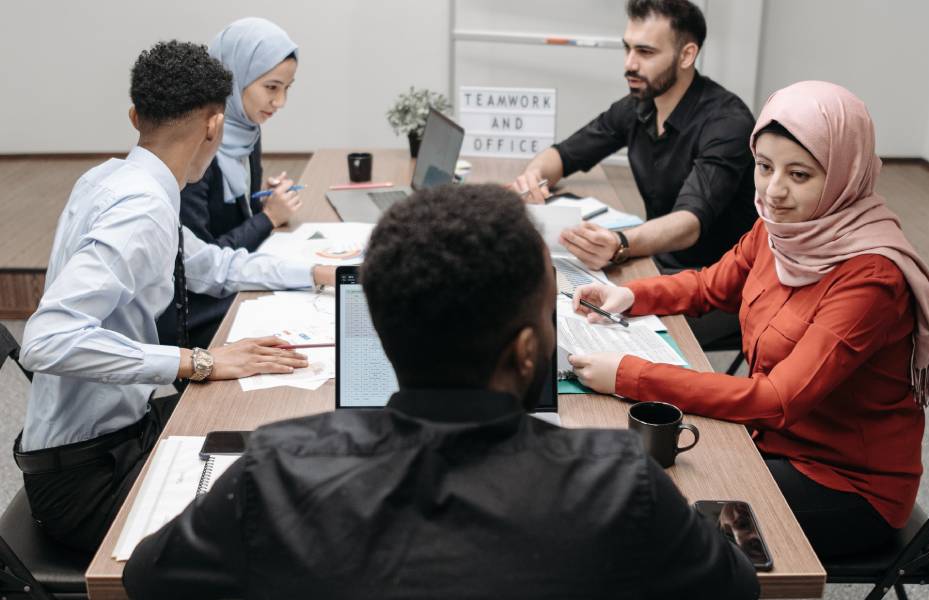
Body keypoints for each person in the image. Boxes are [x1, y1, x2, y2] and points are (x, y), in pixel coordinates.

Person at [122, 184, 760, 600]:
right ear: (528, 352)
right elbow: (739, 589)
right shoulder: (621, 483)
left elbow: (146, 579)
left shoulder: (275, 471)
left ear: (379, 335)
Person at [567, 81, 929, 559]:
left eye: (800, 175)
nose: (774, 191)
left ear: (846, 173)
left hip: (844, 484)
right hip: (771, 438)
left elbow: (776, 398)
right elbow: (709, 286)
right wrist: (628, 295)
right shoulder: (781, 228)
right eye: (763, 167)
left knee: (655, 518)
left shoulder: (871, 279)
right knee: (631, 473)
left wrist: (631, 375)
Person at [15, 40, 333, 554]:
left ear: (135, 115)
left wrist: (315, 270)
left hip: (113, 437)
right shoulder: (140, 208)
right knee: (285, 522)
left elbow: (210, 264)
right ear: (214, 125)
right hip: (89, 476)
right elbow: (46, 341)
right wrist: (196, 361)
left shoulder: (119, 179)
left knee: (268, 434)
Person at [512, 0, 756, 350]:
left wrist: (620, 244)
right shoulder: (639, 106)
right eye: (627, 48)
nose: (629, 64)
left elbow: (689, 223)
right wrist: (533, 176)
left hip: (718, 288)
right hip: (657, 264)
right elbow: (565, 154)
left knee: (591, 334)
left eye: (645, 51)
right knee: (561, 303)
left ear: (687, 55)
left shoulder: (727, 123)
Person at [158, 18, 303, 350]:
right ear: (235, 78)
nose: (279, 102)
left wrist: (263, 202)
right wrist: (268, 218)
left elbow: (236, 216)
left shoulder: (246, 130)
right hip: (195, 305)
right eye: (271, 87)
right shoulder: (199, 149)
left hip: (228, 274)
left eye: (286, 88)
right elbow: (198, 262)